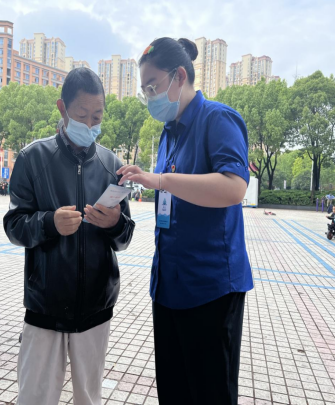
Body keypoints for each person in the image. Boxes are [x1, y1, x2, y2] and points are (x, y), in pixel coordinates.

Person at [117, 37, 253, 405]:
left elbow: (233, 188)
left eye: (153, 86)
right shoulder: (168, 133)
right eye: (145, 90)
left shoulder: (217, 119)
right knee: (174, 392)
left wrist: (161, 180)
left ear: (179, 76)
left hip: (210, 288)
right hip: (168, 285)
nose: (150, 97)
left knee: (210, 395)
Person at [3, 67, 135, 405]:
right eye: (81, 115)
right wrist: (49, 223)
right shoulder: (32, 158)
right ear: (62, 108)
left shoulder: (112, 165)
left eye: (97, 117)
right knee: (35, 396)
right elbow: (14, 225)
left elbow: (124, 238)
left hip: (95, 305)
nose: (90, 125)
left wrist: (114, 224)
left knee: (88, 397)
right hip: (45, 304)